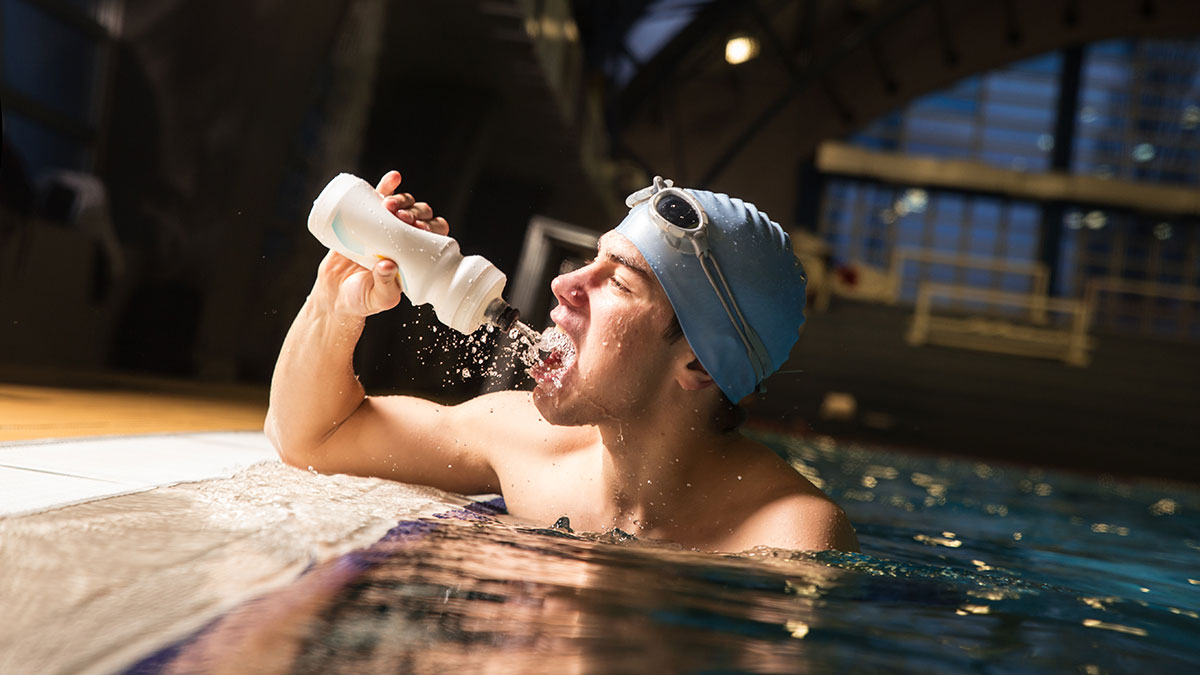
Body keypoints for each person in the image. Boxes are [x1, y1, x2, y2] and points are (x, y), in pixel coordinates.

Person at [266, 171, 858, 553]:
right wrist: (338, 301)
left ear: (699, 367)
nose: (565, 283)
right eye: (587, 261)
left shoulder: (787, 538)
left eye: (617, 283)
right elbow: (313, 437)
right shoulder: (523, 438)